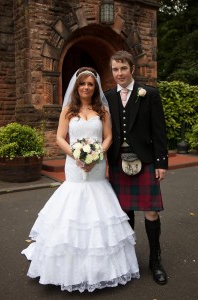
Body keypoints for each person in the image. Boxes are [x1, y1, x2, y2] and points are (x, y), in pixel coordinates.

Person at [21, 67, 140, 293]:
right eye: (82, 84)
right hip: (74, 165)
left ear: (95, 88)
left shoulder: (102, 110)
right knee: (73, 206)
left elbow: (108, 137)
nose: (86, 87)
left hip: (96, 167)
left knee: (97, 208)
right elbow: (59, 137)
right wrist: (77, 155)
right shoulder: (68, 110)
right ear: (77, 87)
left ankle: (101, 268)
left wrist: (95, 157)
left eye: (90, 84)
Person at [105, 50, 168, 285]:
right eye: (115, 69)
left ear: (132, 69)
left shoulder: (149, 94)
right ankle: (128, 260)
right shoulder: (108, 97)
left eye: (123, 68)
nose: (119, 73)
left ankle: (155, 260)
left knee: (151, 212)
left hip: (146, 161)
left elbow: (159, 130)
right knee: (125, 213)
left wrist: (161, 162)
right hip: (118, 163)